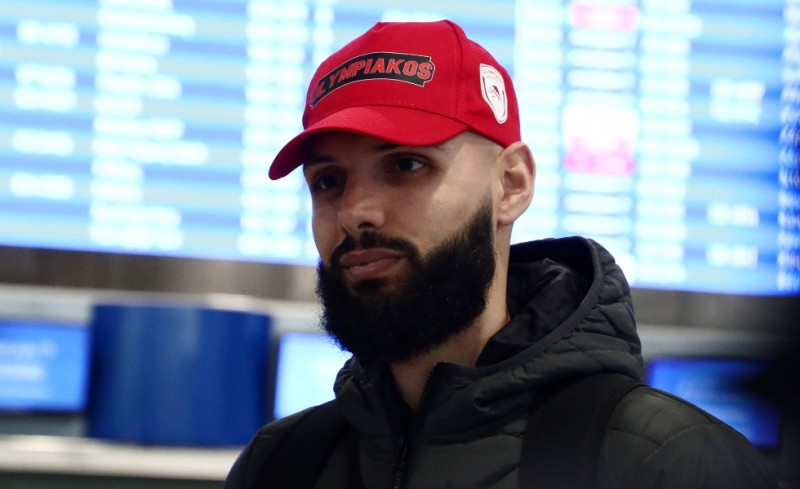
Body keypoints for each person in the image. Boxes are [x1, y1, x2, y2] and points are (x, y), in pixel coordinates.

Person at [224, 20, 779, 489]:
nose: (355, 212)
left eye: (406, 165)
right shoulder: (281, 465)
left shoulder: (668, 462)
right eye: (327, 181)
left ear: (512, 184)